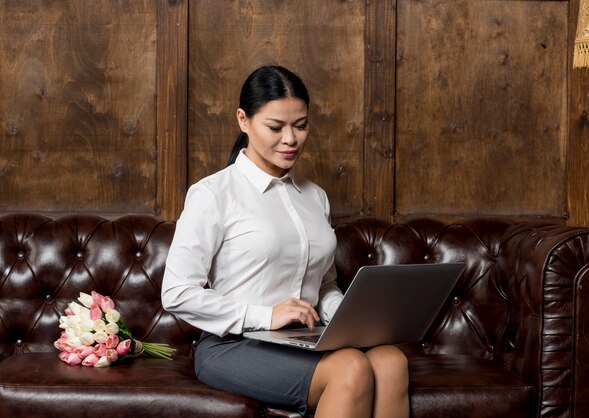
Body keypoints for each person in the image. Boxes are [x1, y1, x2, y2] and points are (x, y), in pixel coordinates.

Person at [161, 65, 409, 417]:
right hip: (232, 346)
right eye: (275, 127)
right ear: (243, 120)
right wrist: (265, 315)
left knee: (391, 361)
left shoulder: (315, 197)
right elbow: (176, 292)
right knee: (350, 368)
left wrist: (346, 316)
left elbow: (323, 283)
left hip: (307, 340)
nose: (291, 139)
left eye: (301, 125)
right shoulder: (213, 194)